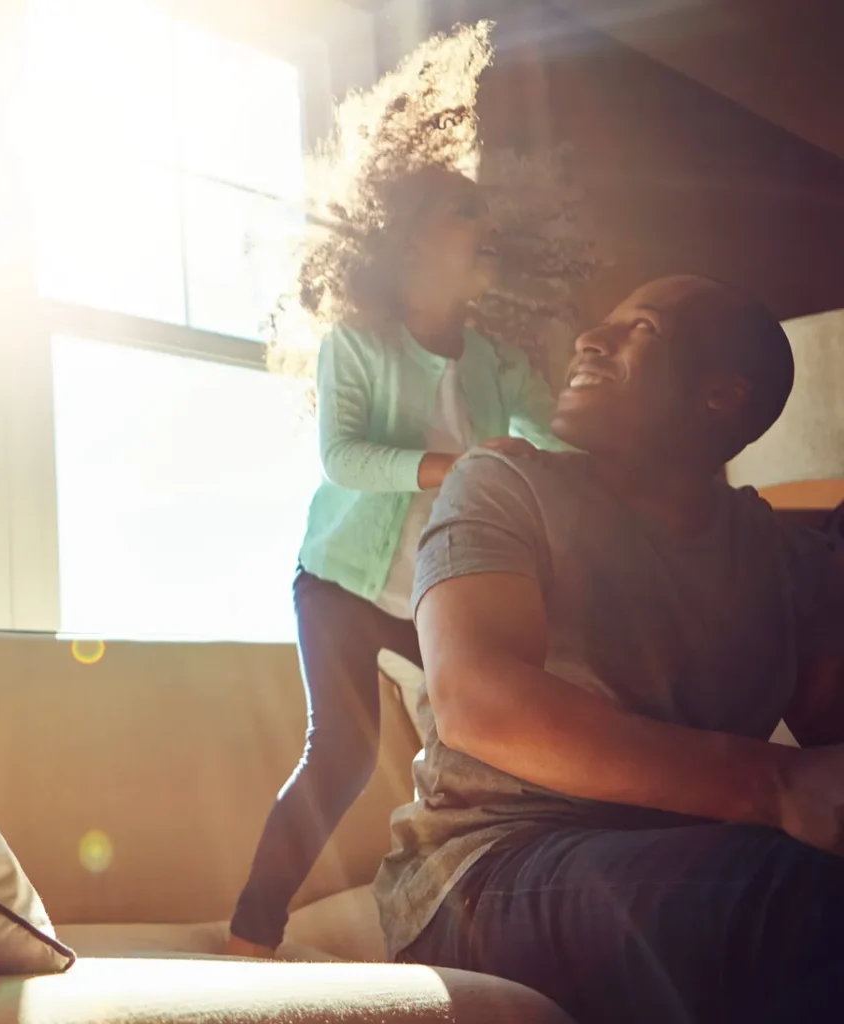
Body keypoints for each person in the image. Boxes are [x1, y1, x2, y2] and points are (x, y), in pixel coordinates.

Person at [374, 275, 844, 1023]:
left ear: (722, 395)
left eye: (642, 328)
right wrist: (776, 785)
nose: (590, 339)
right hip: (484, 868)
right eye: (605, 324)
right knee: (801, 899)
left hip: (687, 858)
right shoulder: (503, 483)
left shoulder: (788, 562)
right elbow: (478, 704)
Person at [226, 24, 574, 959]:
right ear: (413, 240)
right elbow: (343, 458)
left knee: (483, 748)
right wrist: (455, 467)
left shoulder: (498, 363)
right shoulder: (358, 347)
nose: (486, 229)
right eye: (467, 215)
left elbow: (556, 439)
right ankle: (250, 936)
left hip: (432, 595)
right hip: (340, 583)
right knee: (341, 755)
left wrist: (587, 432)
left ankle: (463, 916)